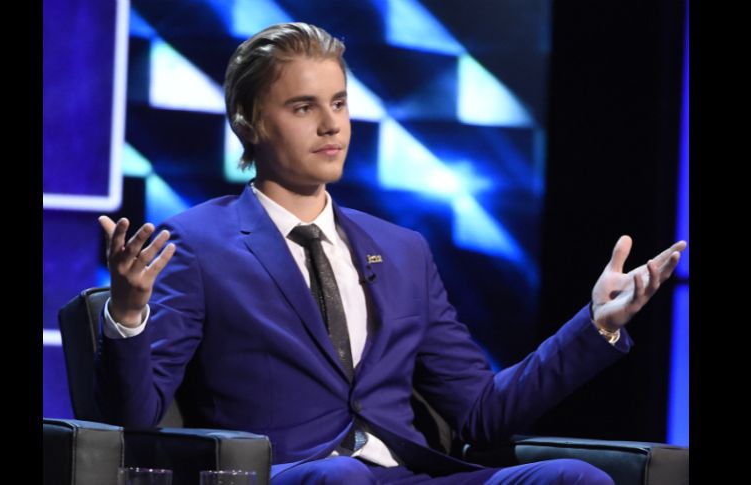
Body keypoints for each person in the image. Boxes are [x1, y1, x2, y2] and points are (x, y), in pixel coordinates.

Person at [95, 22, 686, 484]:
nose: (331, 125)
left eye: (339, 103)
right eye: (303, 107)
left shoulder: (402, 251)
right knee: (342, 477)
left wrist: (596, 325)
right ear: (248, 123)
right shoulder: (197, 243)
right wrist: (127, 313)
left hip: (404, 474)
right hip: (297, 476)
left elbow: (481, 412)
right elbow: (135, 418)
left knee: (573, 478)